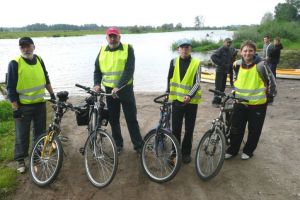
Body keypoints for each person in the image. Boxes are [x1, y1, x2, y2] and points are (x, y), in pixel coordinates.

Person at [6, 37, 55, 173]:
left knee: (40, 134)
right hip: (23, 106)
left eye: (28, 46)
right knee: (22, 135)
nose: (25, 49)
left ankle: (36, 157)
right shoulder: (15, 63)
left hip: (40, 105)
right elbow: (10, 88)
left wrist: (52, 94)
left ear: (34, 46)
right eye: (22, 47)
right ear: (20, 48)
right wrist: (15, 108)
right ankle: (20, 160)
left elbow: (46, 78)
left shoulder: (39, 60)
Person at [93, 27, 143, 154]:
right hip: (109, 91)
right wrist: (97, 84)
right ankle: (118, 145)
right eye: (110, 36)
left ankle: (138, 145)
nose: (113, 38)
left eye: (115, 36)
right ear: (106, 38)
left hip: (125, 90)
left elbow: (129, 70)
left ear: (119, 37)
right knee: (113, 119)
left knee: (131, 118)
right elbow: (97, 70)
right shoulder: (102, 51)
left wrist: (119, 86)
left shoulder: (128, 49)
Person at [225, 40, 277, 160]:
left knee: (254, 130)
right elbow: (234, 80)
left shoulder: (261, 65)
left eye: (250, 51)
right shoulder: (236, 65)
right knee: (236, 128)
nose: (247, 53)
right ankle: (233, 150)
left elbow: (272, 82)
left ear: (254, 52)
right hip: (240, 103)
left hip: (257, 105)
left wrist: (270, 97)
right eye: (245, 51)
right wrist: (234, 91)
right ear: (241, 52)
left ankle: (248, 151)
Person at [166, 38, 202, 163]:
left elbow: (197, 83)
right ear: (178, 49)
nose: (185, 49)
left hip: (191, 102)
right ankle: (174, 152)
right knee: (175, 128)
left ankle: (186, 153)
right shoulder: (173, 62)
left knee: (189, 128)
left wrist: (189, 96)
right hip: (176, 100)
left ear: (190, 49)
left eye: (187, 47)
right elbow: (169, 78)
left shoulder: (196, 63)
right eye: (182, 47)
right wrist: (167, 94)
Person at [211, 38, 236, 106]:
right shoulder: (221, 49)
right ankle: (215, 102)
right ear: (224, 42)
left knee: (223, 87)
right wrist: (221, 64)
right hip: (220, 71)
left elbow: (231, 59)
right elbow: (213, 57)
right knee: (218, 87)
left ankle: (219, 101)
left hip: (225, 71)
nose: (228, 44)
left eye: (230, 43)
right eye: (227, 42)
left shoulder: (229, 50)